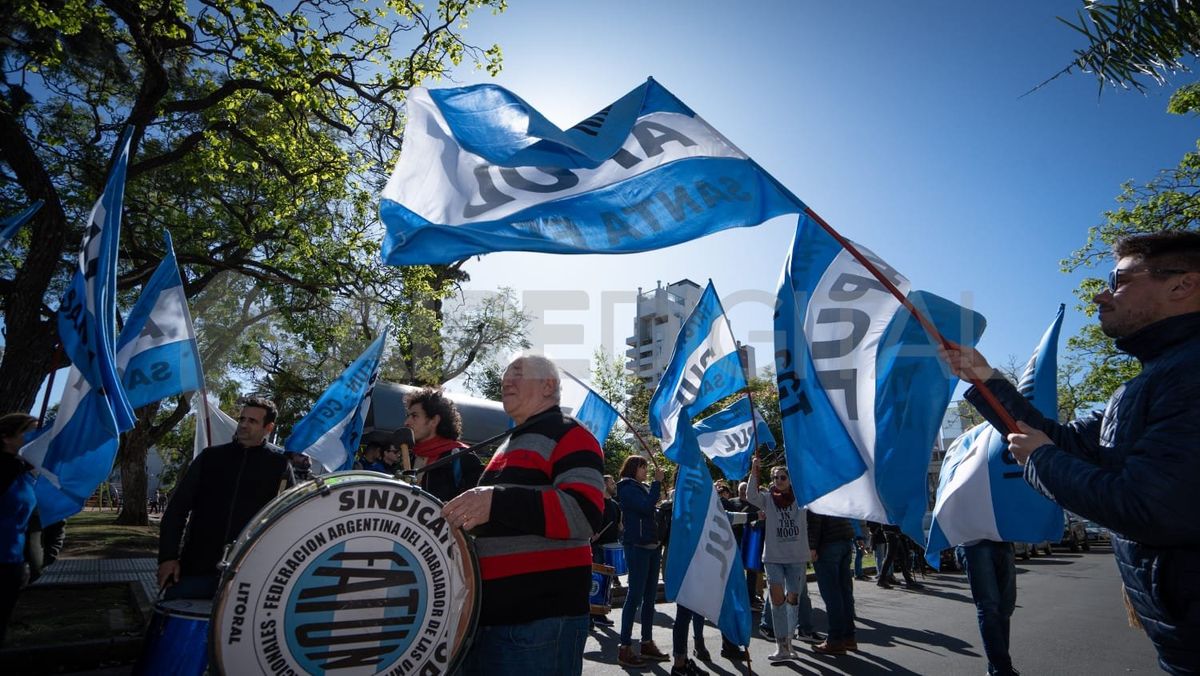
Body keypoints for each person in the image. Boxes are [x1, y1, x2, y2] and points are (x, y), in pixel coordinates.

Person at [942, 230, 1200, 674]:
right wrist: (986, 378)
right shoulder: (1153, 379)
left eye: (1118, 280)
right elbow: (1065, 441)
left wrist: (1041, 460)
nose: (1102, 294)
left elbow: (1147, 506)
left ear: (1182, 286)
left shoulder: (1189, 372)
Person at [441, 355, 605, 676]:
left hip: (539, 624)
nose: (507, 381)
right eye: (505, 375)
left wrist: (495, 501)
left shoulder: (570, 434)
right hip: (488, 621)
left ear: (549, 386)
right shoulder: (507, 444)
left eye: (518, 373)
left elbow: (584, 514)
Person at [157, 397, 294, 600]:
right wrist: (168, 557)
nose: (244, 425)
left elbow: (286, 522)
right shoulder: (210, 458)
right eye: (242, 419)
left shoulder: (280, 466)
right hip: (195, 570)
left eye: (252, 421)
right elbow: (177, 509)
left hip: (247, 578)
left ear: (269, 427)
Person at [745, 456, 819, 662]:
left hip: (796, 558)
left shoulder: (802, 498)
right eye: (775, 477)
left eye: (783, 477)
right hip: (773, 558)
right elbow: (751, 495)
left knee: (792, 601)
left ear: (790, 479)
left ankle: (790, 642)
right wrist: (754, 471)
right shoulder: (767, 498)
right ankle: (782, 646)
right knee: (777, 601)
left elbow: (815, 489)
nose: (778, 481)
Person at [613, 454, 670, 667]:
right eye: (643, 467)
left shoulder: (641, 486)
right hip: (637, 546)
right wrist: (656, 482)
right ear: (633, 468)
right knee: (635, 595)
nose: (645, 471)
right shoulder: (626, 487)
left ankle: (646, 642)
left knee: (649, 597)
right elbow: (646, 507)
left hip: (652, 545)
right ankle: (625, 647)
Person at [405, 387, 482, 503]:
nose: (406, 422)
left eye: (414, 416)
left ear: (434, 421)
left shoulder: (462, 457)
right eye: (408, 416)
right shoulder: (410, 456)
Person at [956, 539, 1019, 676]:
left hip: (1003, 540)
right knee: (989, 607)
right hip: (973, 543)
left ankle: (995, 667)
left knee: (1005, 608)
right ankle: (1002, 670)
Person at [0, 413, 37, 646]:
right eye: (30, 432)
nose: (36, 437)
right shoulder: (7, 469)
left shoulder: (25, 471)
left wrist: (34, 560)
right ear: (6, 437)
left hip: (12, 565)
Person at [808, 510, 859, 655]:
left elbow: (815, 519)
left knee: (832, 595)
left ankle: (835, 640)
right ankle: (849, 637)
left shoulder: (816, 490)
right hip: (844, 540)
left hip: (828, 543)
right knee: (845, 593)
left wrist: (812, 546)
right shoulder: (833, 488)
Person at [591, 474, 622, 628]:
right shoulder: (596, 503)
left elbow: (619, 525)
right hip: (597, 547)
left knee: (606, 584)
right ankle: (592, 616)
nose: (615, 485)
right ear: (603, 485)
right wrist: (593, 534)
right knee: (595, 584)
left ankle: (600, 614)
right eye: (612, 483)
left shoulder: (615, 505)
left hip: (610, 548)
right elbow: (589, 522)